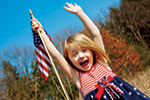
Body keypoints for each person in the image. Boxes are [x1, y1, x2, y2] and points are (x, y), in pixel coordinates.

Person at [31, 2, 150, 100]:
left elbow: (95, 34)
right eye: (74, 54)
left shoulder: (101, 62)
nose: (81, 56)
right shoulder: (77, 77)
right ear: (70, 60)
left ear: (92, 52)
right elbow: (56, 55)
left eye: (84, 50)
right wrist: (41, 32)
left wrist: (80, 13)